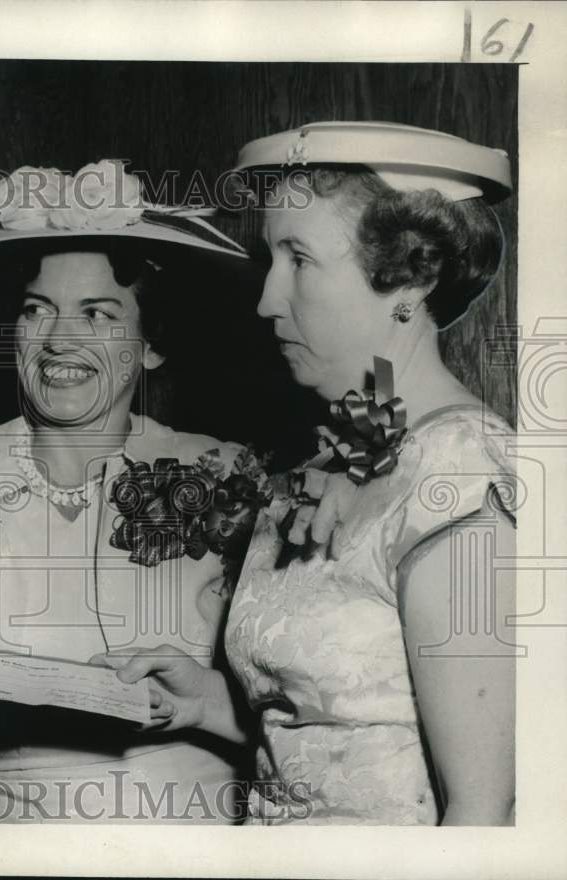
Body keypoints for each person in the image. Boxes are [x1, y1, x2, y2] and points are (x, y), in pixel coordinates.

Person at [104, 122, 517, 825]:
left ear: (410, 279)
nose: (266, 299)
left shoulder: (461, 474)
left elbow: (484, 812)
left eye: (299, 259)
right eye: (272, 259)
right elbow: (345, 730)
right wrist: (206, 701)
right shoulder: (327, 458)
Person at [0, 161, 269, 823]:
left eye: (98, 313)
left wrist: (208, 702)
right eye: (38, 310)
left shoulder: (228, 477)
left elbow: (302, 727)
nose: (61, 339)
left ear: (151, 343)